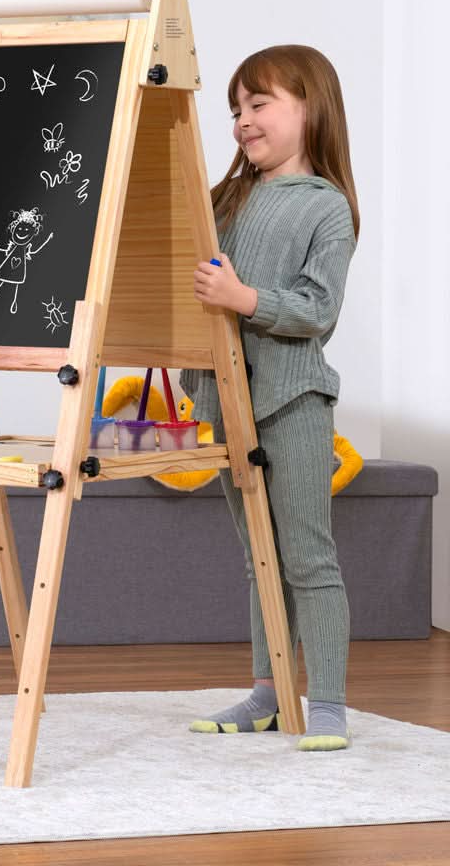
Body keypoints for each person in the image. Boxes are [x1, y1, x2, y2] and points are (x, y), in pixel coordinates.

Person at [179, 44, 360, 751]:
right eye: (236, 109)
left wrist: (243, 297)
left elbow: (317, 308)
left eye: (259, 104)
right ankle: (269, 694)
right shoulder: (227, 199)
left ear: (310, 109)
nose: (243, 121)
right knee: (259, 558)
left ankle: (330, 704)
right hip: (230, 401)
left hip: (294, 401)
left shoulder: (327, 207)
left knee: (307, 558)